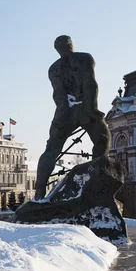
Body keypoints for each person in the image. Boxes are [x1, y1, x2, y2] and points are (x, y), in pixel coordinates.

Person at [35, 35, 111, 200]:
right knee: (103, 139)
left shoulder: (53, 69)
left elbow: (59, 95)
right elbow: (90, 84)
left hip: (65, 111)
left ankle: (39, 192)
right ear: (71, 45)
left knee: (51, 150)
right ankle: (97, 179)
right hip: (85, 108)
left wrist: (63, 115)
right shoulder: (84, 58)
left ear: (57, 49)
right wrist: (91, 109)